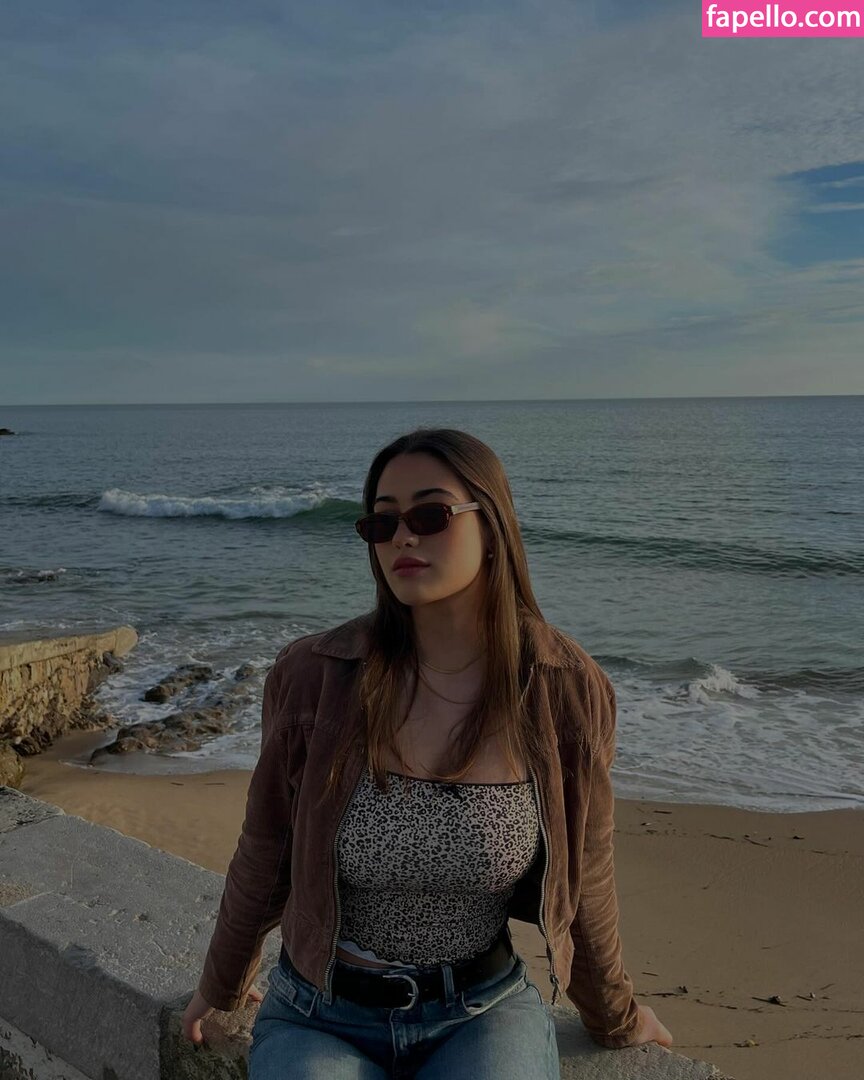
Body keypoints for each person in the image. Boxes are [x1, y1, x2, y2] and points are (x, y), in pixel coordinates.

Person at [181, 427, 673, 1078]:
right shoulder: (315, 676)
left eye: (430, 515)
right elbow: (265, 849)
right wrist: (221, 983)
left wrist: (615, 1015)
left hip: (481, 1010)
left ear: (492, 527)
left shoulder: (564, 689)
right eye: (383, 523)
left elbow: (587, 876)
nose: (403, 538)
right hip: (318, 1012)